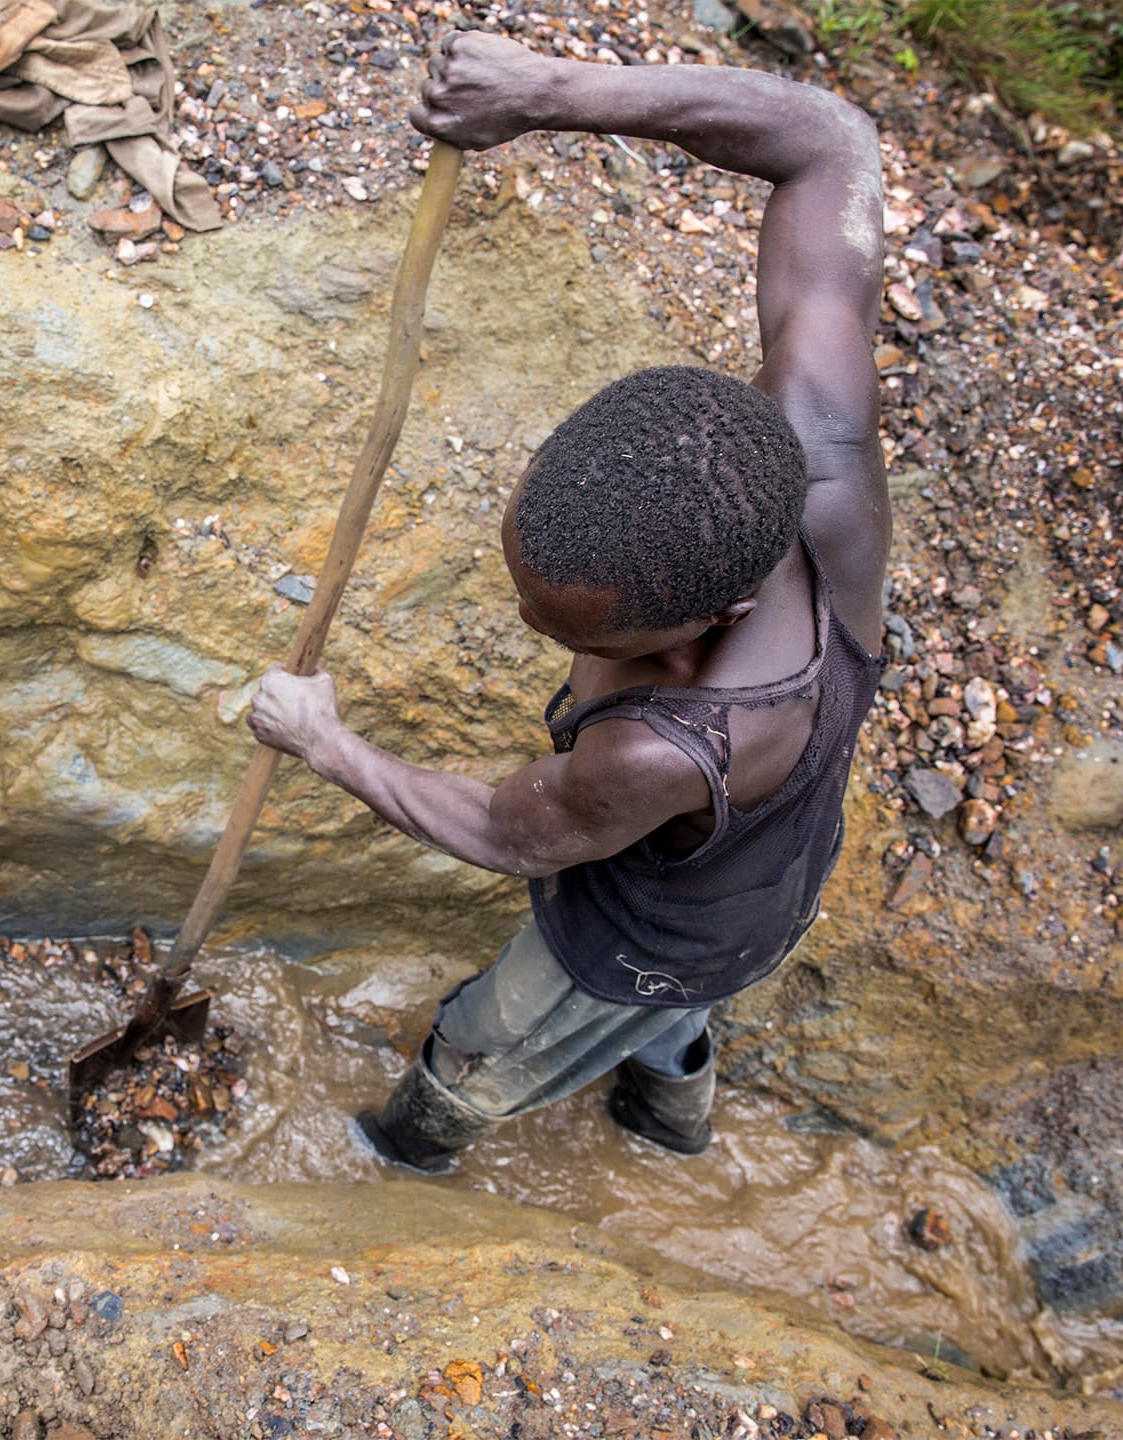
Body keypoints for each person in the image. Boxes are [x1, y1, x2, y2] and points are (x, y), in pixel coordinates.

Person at [245, 32, 888, 1171]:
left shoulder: (665, 752)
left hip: (654, 932)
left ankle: (410, 1157)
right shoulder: (817, 443)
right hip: (767, 871)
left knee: (495, 1035)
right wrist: (553, 93)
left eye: (584, 638)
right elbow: (830, 143)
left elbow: (503, 831)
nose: (544, 640)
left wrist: (324, 742)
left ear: (717, 618)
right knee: (675, 1014)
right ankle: (666, 1122)